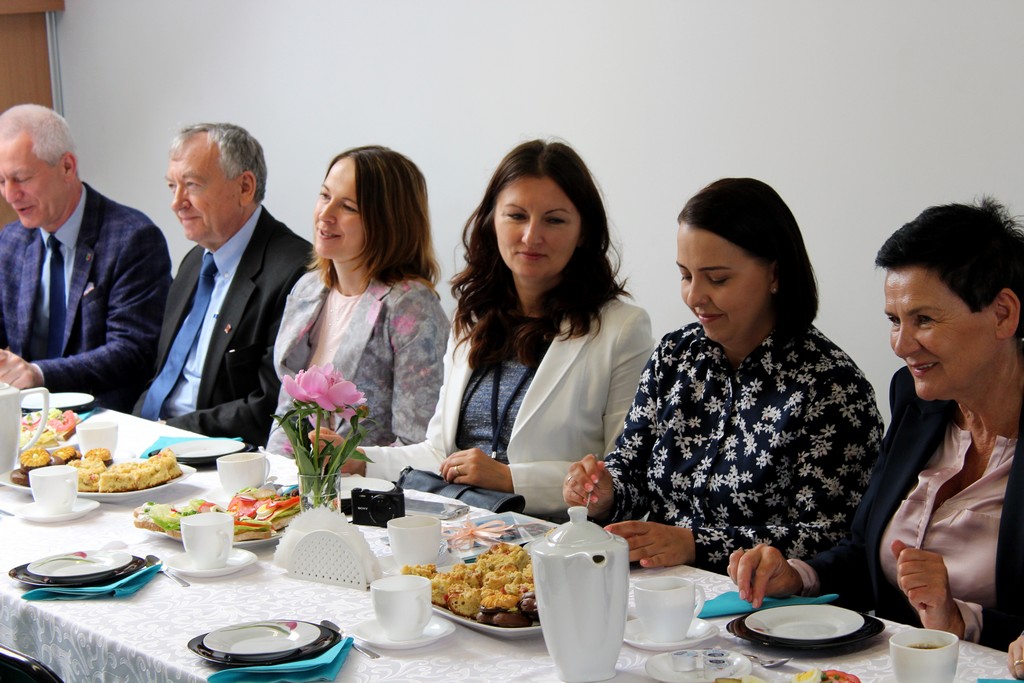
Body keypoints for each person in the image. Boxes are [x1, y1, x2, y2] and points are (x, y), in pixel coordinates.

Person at [729, 199, 1024, 652]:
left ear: (1002, 313)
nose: (901, 345)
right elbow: (863, 551)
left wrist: (960, 619)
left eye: (923, 319)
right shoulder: (915, 399)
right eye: (894, 320)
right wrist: (797, 576)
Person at [564, 178, 883, 573]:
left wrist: (694, 545)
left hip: (762, 599)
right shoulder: (675, 355)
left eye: (717, 279)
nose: (694, 296)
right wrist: (603, 491)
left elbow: (828, 536)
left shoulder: (832, 388)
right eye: (685, 275)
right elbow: (632, 467)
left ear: (775, 275)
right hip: (660, 585)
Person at [348, 140, 652, 518]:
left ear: (584, 232)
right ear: (492, 221)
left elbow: (623, 476)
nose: (531, 236)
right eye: (516, 216)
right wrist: (357, 460)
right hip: (459, 531)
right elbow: (440, 454)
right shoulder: (472, 318)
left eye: (554, 220)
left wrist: (510, 478)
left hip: (553, 539)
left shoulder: (622, 329)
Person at [134, 123, 310, 446]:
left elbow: (270, 406)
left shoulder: (294, 271)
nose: (177, 202)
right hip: (148, 436)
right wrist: (136, 428)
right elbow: (162, 375)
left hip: (210, 452)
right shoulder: (194, 261)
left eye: (191, 185)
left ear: (245, 187)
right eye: (172, 186)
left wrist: (169, 431)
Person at [266, 146, 448, 452]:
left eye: (348, 207)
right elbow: (287, 418)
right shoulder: (307, 288)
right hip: (299, 479)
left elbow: (419, 445)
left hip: (371, 481)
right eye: (325, 196)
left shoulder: (411, 308)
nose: (325, 215)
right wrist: (271, 477)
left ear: (387, 221)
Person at [0, 104, 171, 412]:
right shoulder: (11, 241)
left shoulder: (132, 238)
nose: (11, 195)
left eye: (21, 178)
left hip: (101, 416)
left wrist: (38, 374)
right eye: (1, 181)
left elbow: (133, 350)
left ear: (67, 167)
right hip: (25, 416)